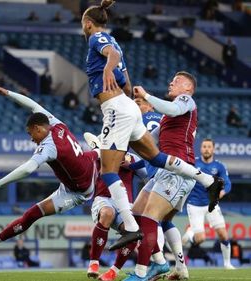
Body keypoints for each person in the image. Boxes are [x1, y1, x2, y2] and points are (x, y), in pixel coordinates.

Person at [82, 0, 222, 251]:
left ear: (88, 23)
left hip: (116, 109)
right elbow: (125, 81)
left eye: (84, 25)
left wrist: (107, 70)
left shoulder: (97, 39)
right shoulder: (115, 42)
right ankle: (208, 181)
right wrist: (131, 97)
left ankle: (131, 228)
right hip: (128, 108)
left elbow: (111, 58)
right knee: (156, 158)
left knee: (108, 172)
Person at [0, 87, 99, 251]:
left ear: (38, 128)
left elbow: (28, 169)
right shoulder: (56, 124)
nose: (31, 139)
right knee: (95, 154)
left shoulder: (49, 147)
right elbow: (33, 106)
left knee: (32, 214)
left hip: (78, 191)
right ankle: (98, 149)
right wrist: (8, 93)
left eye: (31, 133)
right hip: (87, 163)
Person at [124, 72, 202, 281]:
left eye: (176, 81)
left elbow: (173, 108)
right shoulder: (168, 118)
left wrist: (147, 97)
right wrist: (124, 140)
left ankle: (142, 273)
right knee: (138, 215)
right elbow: (149, 142)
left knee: (150, 217)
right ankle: (176, 267)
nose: (170, 82)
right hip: (163, 172)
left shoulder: (186, 101)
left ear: (188, 88)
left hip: (179, 172)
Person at [87, 150, 147, 280]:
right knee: (107, 213)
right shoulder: (101, 151)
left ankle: (113, 271)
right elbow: (86, 161)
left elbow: (146, 174)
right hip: (104, 198)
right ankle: (94, 263)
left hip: (125, 204)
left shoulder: (133, 157)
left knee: (133, 231)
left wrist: (130, 165)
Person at [182, 138, 235, 269]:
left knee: (223, 234)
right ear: (201, 149)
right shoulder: (193, 162)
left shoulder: (219, 166)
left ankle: (227, 264)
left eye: (209, 147)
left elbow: (227, 183)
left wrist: (222, 192)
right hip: (194, 204)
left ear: (213, 149)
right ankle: (191, 233)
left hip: (212, 203)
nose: (206, 149)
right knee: (200, 239)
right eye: (204, 147)